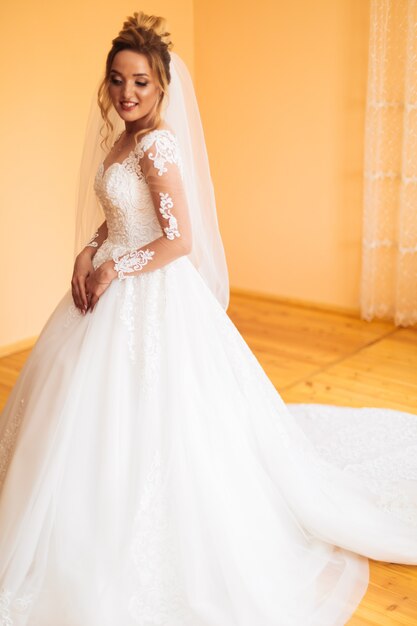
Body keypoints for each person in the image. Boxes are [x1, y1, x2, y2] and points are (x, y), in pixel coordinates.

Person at [0, 10, 416, 626]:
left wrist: (115, 269)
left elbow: (179, 239)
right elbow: (121, 215)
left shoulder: (158, 142)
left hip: (149, 292)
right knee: (77, 414)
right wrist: (90, 250)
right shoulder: (120, 138)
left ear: (162, 84)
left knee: (159, 419)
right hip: (107, 279)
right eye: (117, 80)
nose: (127, 93)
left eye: (140, 81)